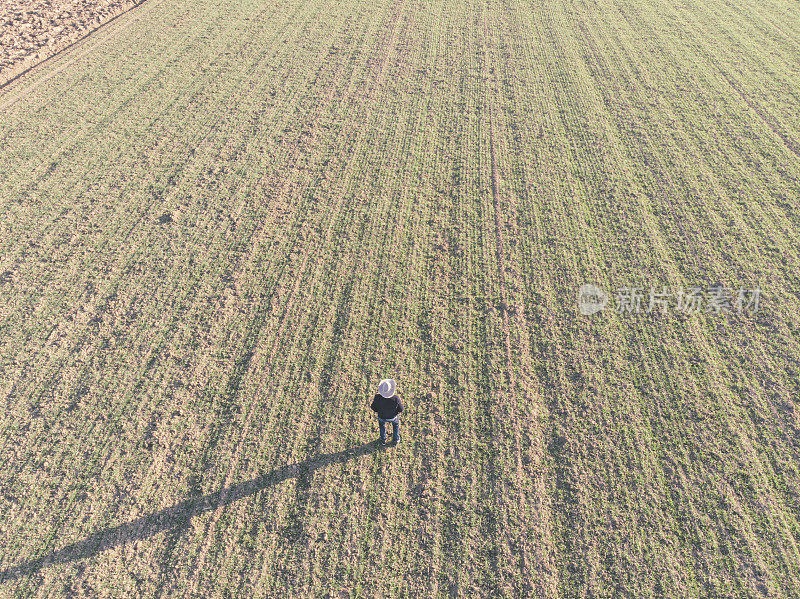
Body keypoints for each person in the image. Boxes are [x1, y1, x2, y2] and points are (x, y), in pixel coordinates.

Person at [370, 378, 403, 445]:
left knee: (382, 425)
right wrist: (395, 413)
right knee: (396, 425)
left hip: (381, 416)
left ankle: (383, 439)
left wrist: (379, 411)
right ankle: (396, 439)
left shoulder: (377, 397)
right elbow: (401, 409)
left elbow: (373, 407)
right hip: (393, 417)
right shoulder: (396, 398)